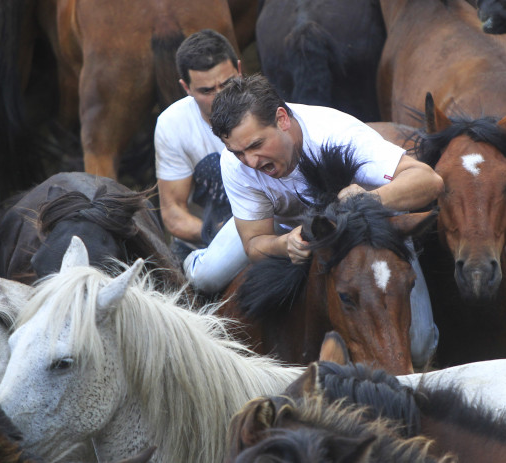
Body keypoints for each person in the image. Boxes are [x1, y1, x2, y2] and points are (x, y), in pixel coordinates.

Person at [185, 74, 444, 366]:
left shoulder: (336, 135)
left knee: (420, 345)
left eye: (257, 144)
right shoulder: (235, 164)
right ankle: (189, 257)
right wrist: (284, 244)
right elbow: (254, 242)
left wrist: (369, 200)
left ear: (282, 119)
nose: (251, 162)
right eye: (239, 152)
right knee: (205, 276)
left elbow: (429, 181)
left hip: (370, 228)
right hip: (286, 225)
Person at [154, 29, 248, 277]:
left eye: (228, 84)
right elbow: (173, 214)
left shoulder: (268, 108)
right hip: (204, 243)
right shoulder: (172, 125)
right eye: (206, 90)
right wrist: (218, 232)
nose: (220, 97)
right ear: (186, 87)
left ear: (240, 70)